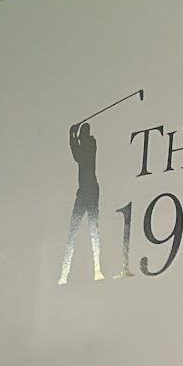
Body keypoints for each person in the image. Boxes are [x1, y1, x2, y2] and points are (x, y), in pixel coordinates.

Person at [58, 120, 104, 284]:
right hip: (85, 191)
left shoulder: (90, 144)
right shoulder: (86, 143)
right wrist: (73, 135)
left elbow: (78, 154)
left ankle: (97, 269)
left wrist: (72, 135)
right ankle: (64, 274)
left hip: (90, 191)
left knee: (93, 230)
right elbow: (76, 153)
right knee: (73, 231)